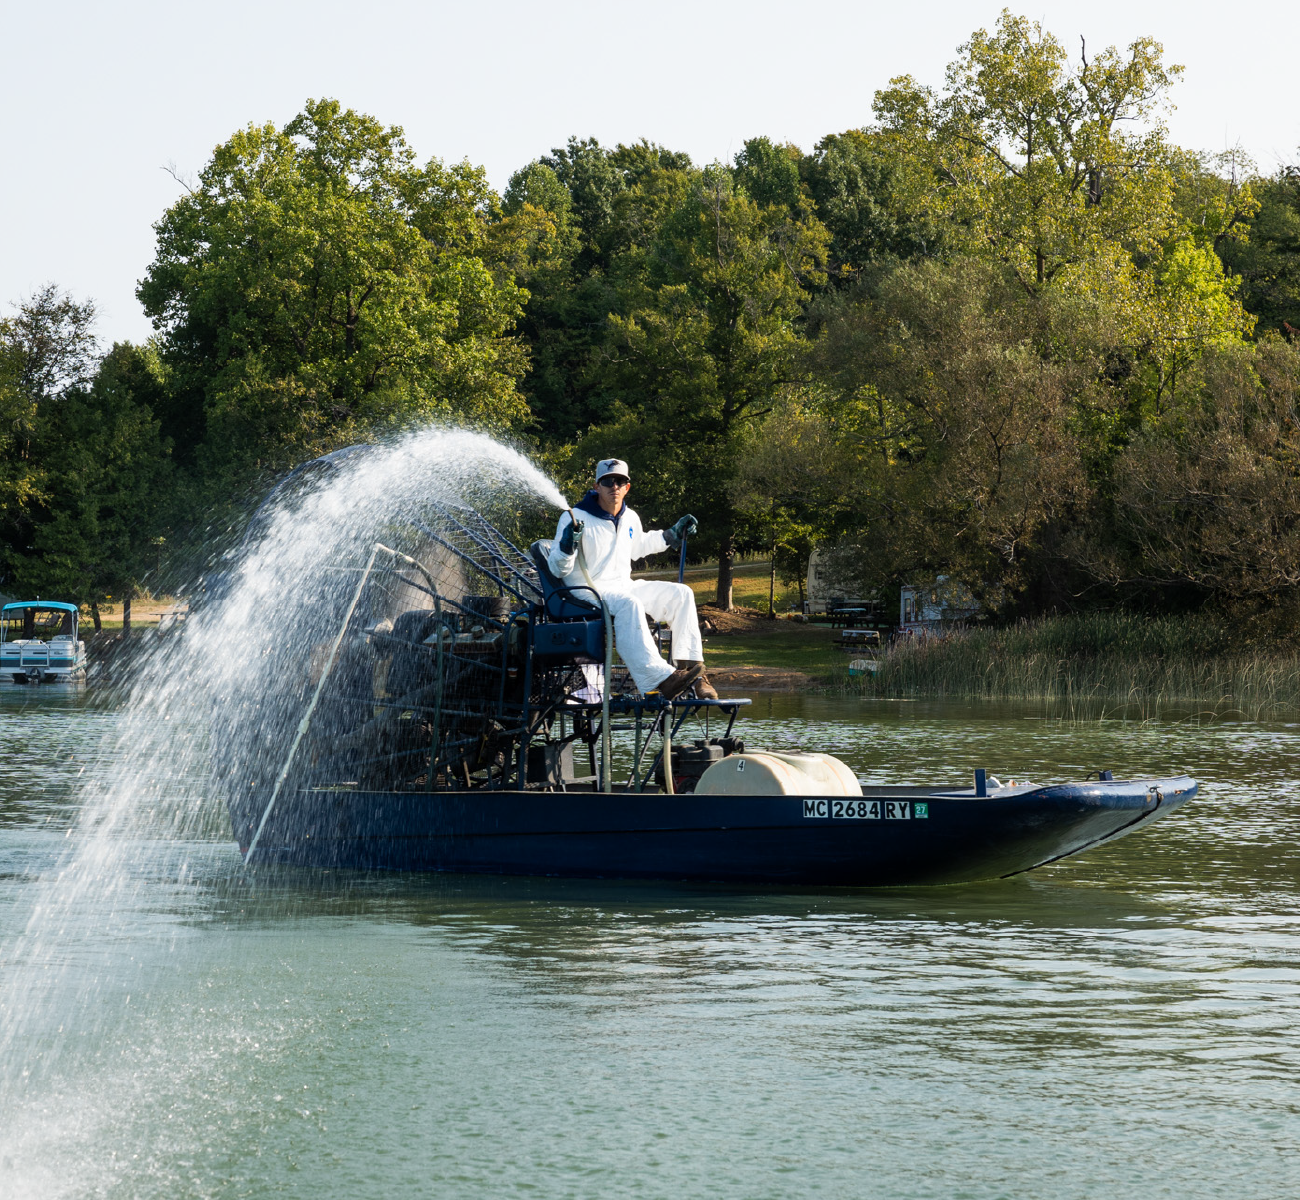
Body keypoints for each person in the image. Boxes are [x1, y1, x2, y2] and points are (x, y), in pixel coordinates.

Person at [548, 458, 718, 702]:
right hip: (587, 591)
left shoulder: (630, 517)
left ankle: (695, 675)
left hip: (623, 587)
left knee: (682, 594)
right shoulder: (574, 518)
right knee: (630, 604)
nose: (614, 486)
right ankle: (660, 680)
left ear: (627, 487)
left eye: (620, 481)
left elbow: (639, 545)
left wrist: (672, 534)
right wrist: (567, 545)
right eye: (607, 481)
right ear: (596, 486)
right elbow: (558, 569)